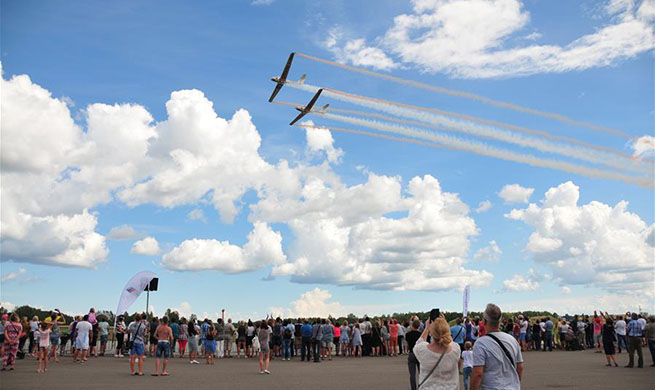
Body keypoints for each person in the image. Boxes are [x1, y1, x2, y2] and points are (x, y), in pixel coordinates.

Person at [471, 304, 523, 390]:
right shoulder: (512, 340)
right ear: (500, 321)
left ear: (484, 321)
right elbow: (520, 367)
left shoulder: (481, 343)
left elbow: (478, 373)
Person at [413, 316, 461, 390]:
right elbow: (451, 342)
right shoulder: (455, 349)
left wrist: (426, 328)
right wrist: (443, 325)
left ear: (431, 333)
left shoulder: (422, 350)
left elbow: (419, 343)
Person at [405, 319, 422, 390]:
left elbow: (407, 344)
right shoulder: (421, 334)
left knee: (412, 374)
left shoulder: (408, 334)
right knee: (421, 373)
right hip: (419, 354)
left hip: (412, 352)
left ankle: (413, 388)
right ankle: (421, 386)